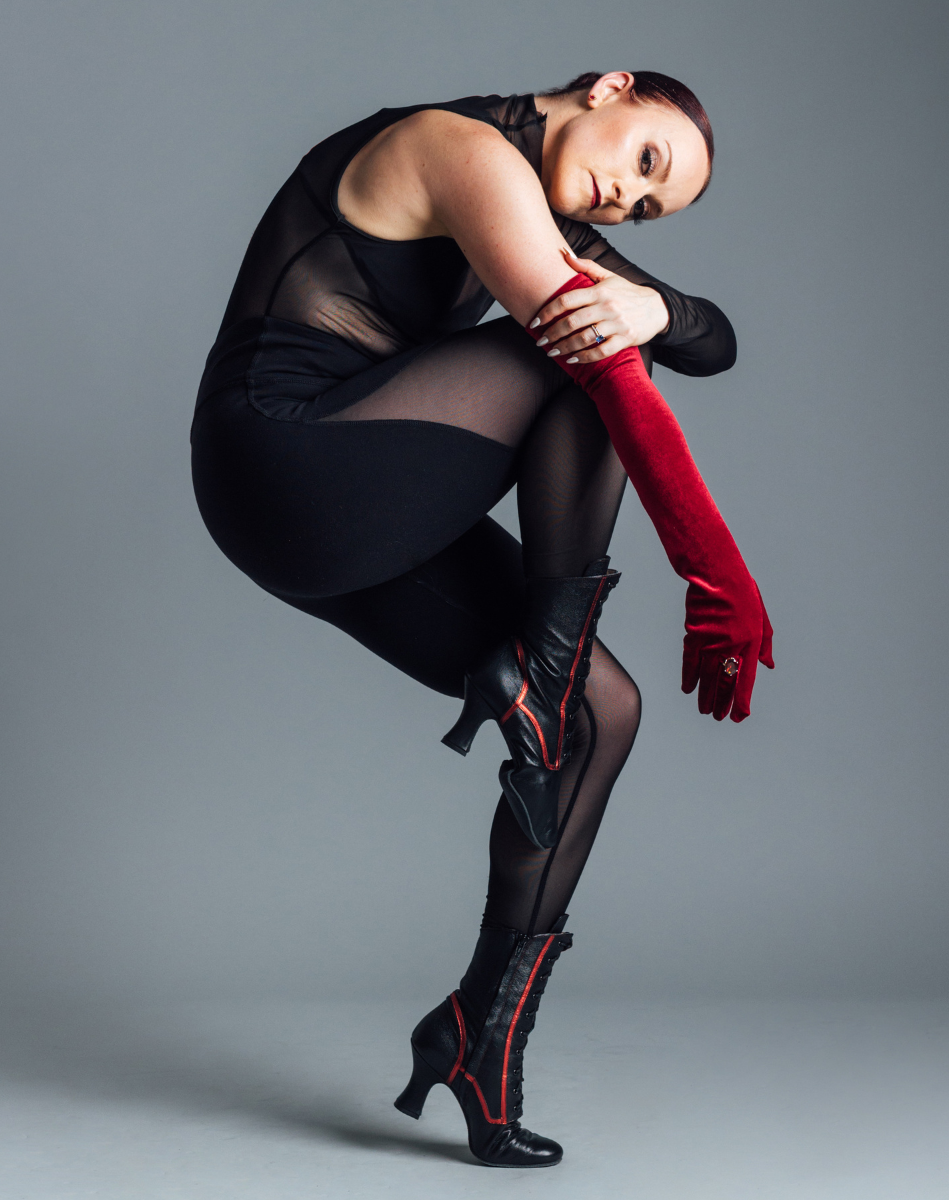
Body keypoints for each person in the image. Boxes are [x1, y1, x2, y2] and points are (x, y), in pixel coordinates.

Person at [191, 70, 773, 1168]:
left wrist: (660, 299)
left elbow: (715, 342)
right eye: (643, 160)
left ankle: (479, 1032)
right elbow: (609, 367)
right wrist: (719, 574)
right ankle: (538, 681)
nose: (620, 201)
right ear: (607, 89)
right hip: (283, 460)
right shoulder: (457, 151)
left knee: (607, 713)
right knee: (593, 358)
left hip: (354, 509)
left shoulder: (541, 207)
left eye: (645, 211)